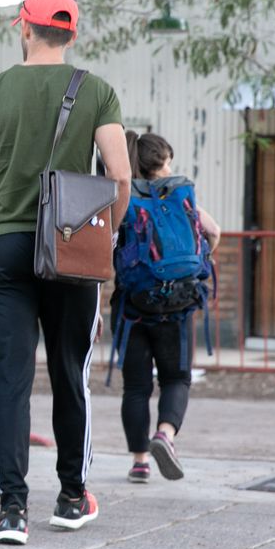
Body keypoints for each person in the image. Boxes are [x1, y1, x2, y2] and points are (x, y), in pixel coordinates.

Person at [0, 0, 131, 546]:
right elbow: (120, 179)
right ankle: (73, 497)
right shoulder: (96, 91)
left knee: (10, 379)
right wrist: (106, 242)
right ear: (70, 35)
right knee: (71, 373)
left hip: (4, 249)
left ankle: (13, 510)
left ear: (25, 30)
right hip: (73, 250)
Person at [117, 131, 220, 484]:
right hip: (177, 304)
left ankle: (139, 460)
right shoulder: (180, 196)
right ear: (162, 162)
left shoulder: (125, 197)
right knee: (176, 378)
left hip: (132, 307)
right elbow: (214, 231)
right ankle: (165, 434)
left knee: (136, 387)